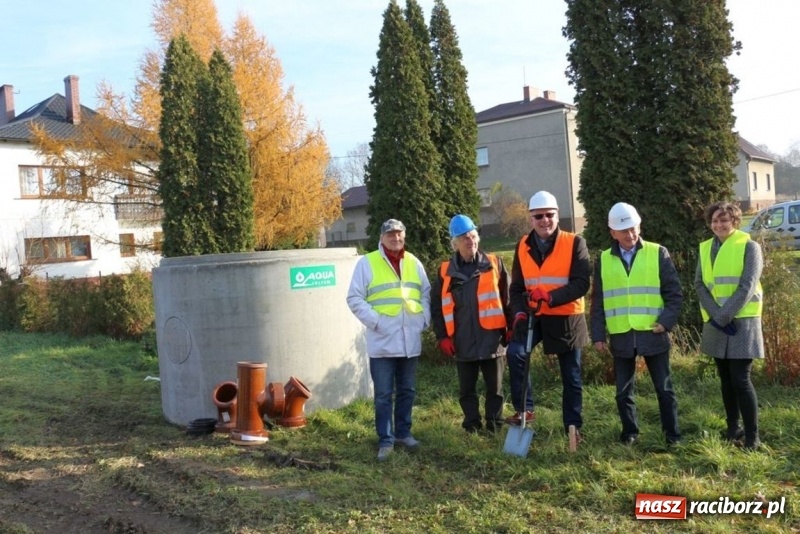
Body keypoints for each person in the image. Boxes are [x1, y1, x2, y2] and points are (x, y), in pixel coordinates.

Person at [590, 202, 682, 446]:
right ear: (613, 233)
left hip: (653, 331)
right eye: (624, 231)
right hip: (621, 333)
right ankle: (630, 433)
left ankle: (672, 435)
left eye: (633, 228)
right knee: (623, 392)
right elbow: (597, 300)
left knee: (664, 389)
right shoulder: (603, 260)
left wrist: (666, 322)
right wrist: (598, 335)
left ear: (639, 225)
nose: (630, 235)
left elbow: (674, 293)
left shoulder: (657, 252)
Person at [507, 191, 590, 447]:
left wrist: (551, 297)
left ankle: (573, 427)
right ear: (531, 218)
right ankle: (525, 410)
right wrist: (519, 310)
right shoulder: (523, 245)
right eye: (538, 216)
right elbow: (517, 287)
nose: (545, 220)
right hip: (535, 315)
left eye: (549, 215)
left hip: (566, 317)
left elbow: (581, 284)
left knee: (571, 376)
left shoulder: (575, 242)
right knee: (516, 353)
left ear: (557, 215)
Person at [346, 219, 432, 461]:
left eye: (400, 234)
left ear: (404, 236)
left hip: (409, 340)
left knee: (407, 391)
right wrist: (376, 322)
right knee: (384, 394)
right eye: (391, 234)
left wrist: (423, 319)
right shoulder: (368, 262)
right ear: (382, 238)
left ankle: (403, 433)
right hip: (383, 341)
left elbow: (425, 292)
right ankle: (386, 440)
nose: (396, 238)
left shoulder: (413, 262)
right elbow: (354, 298)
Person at [431, 215, 510, 434]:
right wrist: (442, 337)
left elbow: (508, 298)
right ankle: (472, 427)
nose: (471, 241)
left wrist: (512, 327)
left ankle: (495, 426)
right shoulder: (445, 271)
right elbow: (437, 307)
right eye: (465, 238)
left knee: (495, 389)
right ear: (454, 243)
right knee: (467, 390)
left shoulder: (494, 264)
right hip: (462, 341)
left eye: (473, 236)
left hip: (492, 339)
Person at [694, 201, 764, 450]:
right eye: (714, 220)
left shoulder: (750, 246)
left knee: (740, 380)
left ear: (734, 221)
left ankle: (752, 436)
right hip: (717, 322)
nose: (718, 224)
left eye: (723, 220)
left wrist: (722, 317)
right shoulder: (705, 248)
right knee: (725, 378)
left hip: (742, 322)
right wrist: (717, 317)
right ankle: (733, 427)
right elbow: (699, 285)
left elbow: (747, 286)